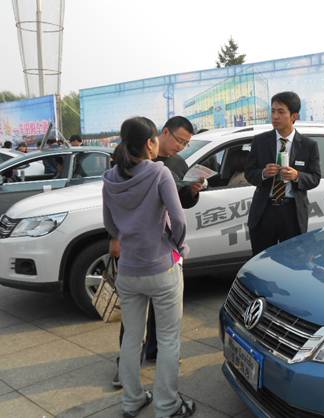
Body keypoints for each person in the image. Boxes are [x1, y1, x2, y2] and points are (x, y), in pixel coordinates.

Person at [103, 116, 195, 418]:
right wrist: (177, 246)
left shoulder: (110, 178)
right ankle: (167, 406)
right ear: (149, 143)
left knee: (132, 338)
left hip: (129, 270)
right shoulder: (159, 172)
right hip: (161, 267)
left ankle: (132, 401)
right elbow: (178, 219)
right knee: (168, 339)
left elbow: (110, 225)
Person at [245, 91, 321, 255]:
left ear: (294, 116)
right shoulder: (260, 141)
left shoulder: (308, 145)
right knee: (262, 260)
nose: (275, 116)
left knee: (293, 260)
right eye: (273, 111)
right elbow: (249, 173)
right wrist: (263, 173)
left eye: (281, 112)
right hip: (264, 211)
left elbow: (315, 178)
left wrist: (297, 176)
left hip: (292, 212)